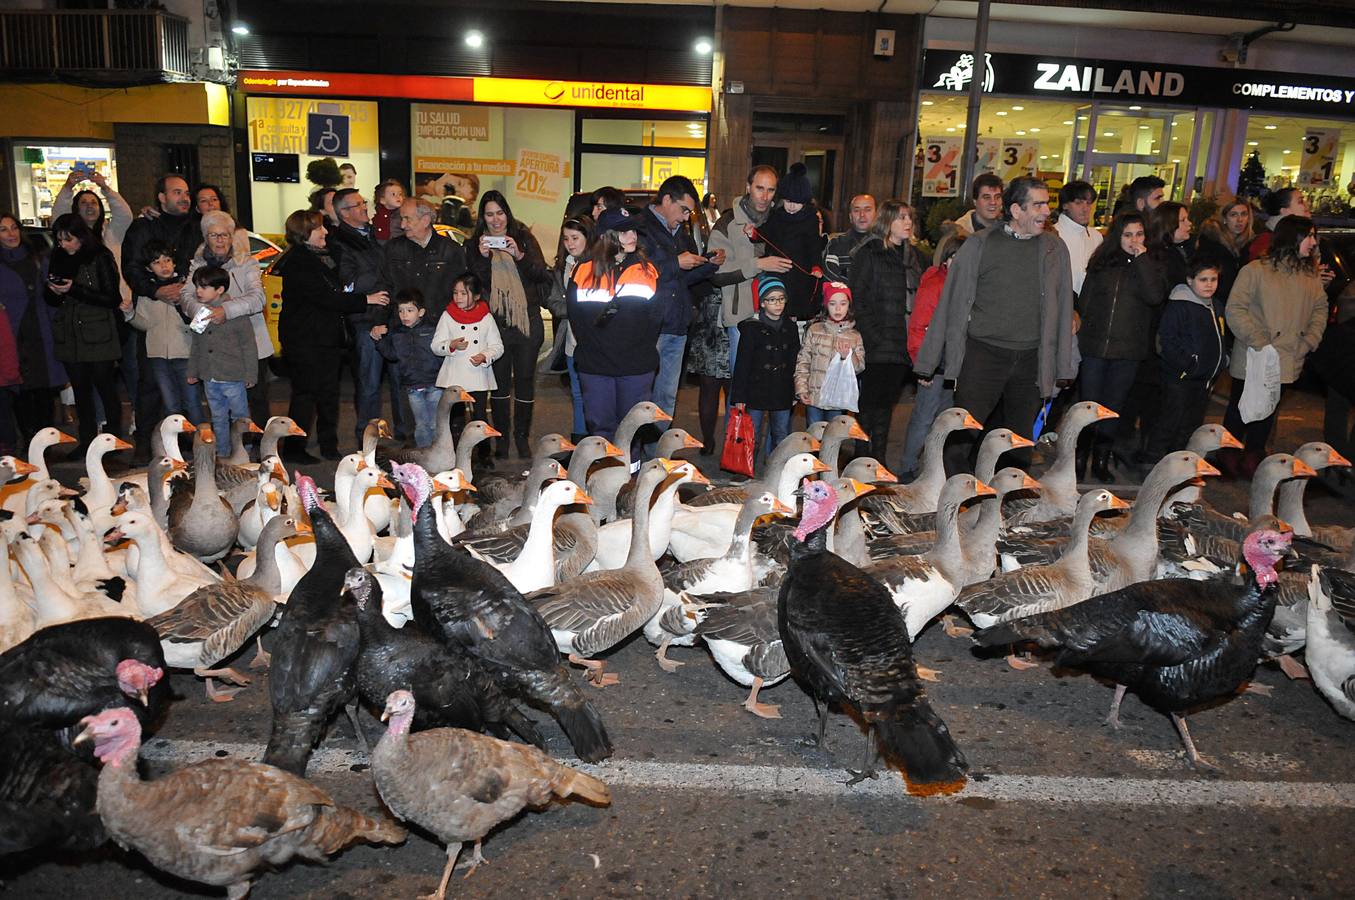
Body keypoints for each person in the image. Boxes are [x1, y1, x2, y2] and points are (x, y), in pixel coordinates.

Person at [914, 176, 1076, 474]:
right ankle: (948, 497)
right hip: (982, 356)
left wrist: (1063, 366)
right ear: (1016, 210)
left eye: (1047, 204)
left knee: (1019, 442)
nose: (1046, 211)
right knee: (962, 436)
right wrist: (929, 360)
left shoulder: (1055, 249)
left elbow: (1064, 307)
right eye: (1038, 204)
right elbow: (951, 301)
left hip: (1031, 359)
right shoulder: (979, 245)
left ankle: (1007, 504)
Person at [274, 209, 389, 462]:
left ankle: (329, 444)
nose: (325, 232)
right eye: (319, 228)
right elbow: (325, 298)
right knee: (305, 394)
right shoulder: (298, 262)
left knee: (328, 393)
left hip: (326, 339)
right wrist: (365, 299)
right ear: (304, 233)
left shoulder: (324, 256)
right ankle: (294, 449)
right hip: (305, 340)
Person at [1221, 215, 1328, 477]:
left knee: (1269, 411)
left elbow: (1320, 310)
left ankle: (1253, 456)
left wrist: (1308, 342)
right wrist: (1259, 340)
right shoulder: (1256, 271)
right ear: (1293, 238)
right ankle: (1228, 455)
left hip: (1288, 356)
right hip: (1253, 356)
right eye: (1309, 236)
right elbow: (1235, 309)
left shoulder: (1309, 277)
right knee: (1241, 407)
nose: (1313, 242)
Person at [1074, 213, 1162, 482]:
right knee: (1089, 405)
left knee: (1113, 407)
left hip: (1128, 352)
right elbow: (1085, 303)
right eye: (1128, 235)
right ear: (1117, 236)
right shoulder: (1102, 263)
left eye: (1139, 234)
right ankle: (1079, 457)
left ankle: (1101, 459)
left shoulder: (1149, 265)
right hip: (1094, 348)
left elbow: (1155, 296)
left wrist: (1142, 261)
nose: (1134, 240)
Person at [636, 175, 720, 447]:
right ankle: (637, 457)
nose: (686, 217)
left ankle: (658, 457)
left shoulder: (680, 233)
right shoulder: (640, 228)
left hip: (677, 326)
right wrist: (675, 262)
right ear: (666, 200)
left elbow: (683, 278)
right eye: (683, 209)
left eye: (689, 212)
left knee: (667, 398)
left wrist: (708, 264)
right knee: (643, 399)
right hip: (650, 327)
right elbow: (640, 272)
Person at [468, 190, 552, 458]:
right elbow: (474, 285)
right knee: (500, 384)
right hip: (497, 323)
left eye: (500, 213)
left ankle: (521, 437)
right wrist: (481, 259)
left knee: (526, 380)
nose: (495, 220)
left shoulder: (523, 236)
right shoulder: (475, 244)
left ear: (508, 213)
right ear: (483, 217)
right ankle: (502, 439)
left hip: (527, 320)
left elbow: (541, 273)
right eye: (489, 214)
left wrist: (519, 254)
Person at [566, 208, 661, 443]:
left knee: (633, 431)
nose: (633, 236)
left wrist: (638, 353)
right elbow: (576, 318)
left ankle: (633, 477)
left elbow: (656, 318)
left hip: (635, 367)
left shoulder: (646, 270)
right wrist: (593, 349)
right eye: (624, 231)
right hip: (596, 367)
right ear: (608, 235)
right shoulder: (583, 270)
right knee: (601, 432)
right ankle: (604, 477)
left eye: (633, 230)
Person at [121, 173, 197, 464]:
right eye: (177, 192)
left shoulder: (195, 225)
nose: (184, 197)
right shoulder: (143, 227)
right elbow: (132, 266)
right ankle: (144, 442)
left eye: (186, 191)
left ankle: (189, 442)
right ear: (161, 198)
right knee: (150, 385)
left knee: (189, 384)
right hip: (153, 315)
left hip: (185, 315)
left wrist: (189, 292)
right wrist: (157, 290)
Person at [179, 211, 271, 431]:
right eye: (213, 235)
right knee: (220, 409)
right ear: (205, 238)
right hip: (215, 348)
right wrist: (207, 312)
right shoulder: (197, 265)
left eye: (224, 235)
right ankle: (225, 450)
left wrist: (225, 310)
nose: (220, 240)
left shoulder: (246, 263)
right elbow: (186, 297)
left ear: (232, 237)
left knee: (256, 402)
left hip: (250, 344)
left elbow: (258, 298)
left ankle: (260, 449)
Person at [849, 199, 924, 463]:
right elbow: (859, 299)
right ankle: (860, 460)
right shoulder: (869, 253)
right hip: (877, 344)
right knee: (868, 406)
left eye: (909, 218)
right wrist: (874, 337)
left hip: (902, 343)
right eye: (901, 217)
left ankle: (878, 461)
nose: (907, 223)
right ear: (887, 221)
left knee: (885, 407)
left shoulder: (913, 257)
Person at [45, 214, 125, 454]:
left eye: (68, 239)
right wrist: (55, 291)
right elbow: (49, 299)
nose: (64, 245)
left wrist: (75, 290)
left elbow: (112, 298)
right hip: (69, 335)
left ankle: (113, 441)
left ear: (80, 236)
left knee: (105, 388)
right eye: (59, 240)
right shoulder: (57, 257)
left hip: (98, 332)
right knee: (80, 392)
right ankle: (87, 441)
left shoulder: (99, 256)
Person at [327, 187, 400, 444]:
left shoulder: (370, 234)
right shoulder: (339, 241)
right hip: (364, 320)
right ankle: (367, 438)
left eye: (363, 202)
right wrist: (383, 277)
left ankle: (399, 434)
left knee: (398, 379)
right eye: (359, 204)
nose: (365, 207)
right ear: (345, 213)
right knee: (369, 384)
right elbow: (348, 283)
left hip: (387, 315)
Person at [708, 165, 794, 371]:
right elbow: (716, 274)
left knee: (774, 381)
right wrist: (758, 264)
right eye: (759, 188)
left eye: (771, 190)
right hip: (742, 316)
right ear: (748, 187)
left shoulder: (782, 220)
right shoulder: (728, 223)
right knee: (741, 384)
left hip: (778, 314)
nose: (765, 196)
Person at [898, 231, 966, 480]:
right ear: (947, 258)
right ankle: (907, 467)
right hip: (934, 362)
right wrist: (921, 364)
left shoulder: (966, 286)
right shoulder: (935, 283)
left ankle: (935, 468)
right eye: (955, 257)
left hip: (954, 365)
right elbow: (918, 325)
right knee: (924, 417)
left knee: (946, 418)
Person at [1145, 259, 1226, 462]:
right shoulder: (1179, 306)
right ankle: (1152, 460)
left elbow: (1220, 336)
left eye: (1213, 279)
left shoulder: (1215, 306)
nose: (1209, 284)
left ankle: (1178, 460)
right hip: (1180, 377)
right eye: (1203, 279)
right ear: (1190, 280)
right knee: (1170, 420)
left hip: (1204, 378)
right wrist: (1188, 364)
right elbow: (1167, 340)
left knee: (1190, 424)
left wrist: (1223, 359)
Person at [0, 212, 64, 441]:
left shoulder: (37, 258)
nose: (10, 234)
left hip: (40, 329)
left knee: (45, 388)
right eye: (3, 229)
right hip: (12, 334)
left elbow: (52, 293)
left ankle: (46, 440)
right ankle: (29, 439)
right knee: (20, 389)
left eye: (13, 228)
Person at [128, 239, 202, 423]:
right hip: (158, 356)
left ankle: (203, 443)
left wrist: (182, 307)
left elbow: (200, 321)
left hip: (185, 353)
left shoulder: (187, 287)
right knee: (170, 405)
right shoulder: (149, 293)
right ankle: (176, 443)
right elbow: (145, 324)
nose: (163, 266)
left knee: (192, 402)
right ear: (148, 268)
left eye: (167, 260)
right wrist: (129, 314)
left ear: (174, 262)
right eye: (157, 262)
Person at [730, 278, 800, 470]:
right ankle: (745, 469)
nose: (777, 304)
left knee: (781, 432)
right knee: (751, 433)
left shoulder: (790, 327)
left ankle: (777, 469)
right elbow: (742, 364)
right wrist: (739, 396)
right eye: (771, 300)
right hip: (756, 390)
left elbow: (795, 360)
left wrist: (796, 390)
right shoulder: (751, 329)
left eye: (781, 299)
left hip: (782, 389)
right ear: (762, 303)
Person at [186, 266, 255, 456]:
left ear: (220, 290)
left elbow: (248, 345)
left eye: (203, 287)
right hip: (210, 376)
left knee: (240, 417)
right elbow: (197, 345)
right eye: (197, 287)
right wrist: (193, 371)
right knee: (217, 417)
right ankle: (223, 452)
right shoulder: (201, 314)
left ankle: (243, 451)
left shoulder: (235, 312)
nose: (198, 291)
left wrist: (250, 374)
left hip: (233, 375)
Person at [432, 273, 502, 456]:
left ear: (477, 295)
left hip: (478, 375)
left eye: (464, 293)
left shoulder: (486, 318)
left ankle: (484, 454)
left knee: (479, 417)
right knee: (455, 418)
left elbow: (497, 346)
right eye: (455, 293)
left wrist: (485, 356)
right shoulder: (448, 316)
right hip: (455, 376)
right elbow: (435, 345)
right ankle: (455, 452)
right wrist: (451, 345)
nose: (458, 297)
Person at [756, 164, 824, 323]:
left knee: (795, 308)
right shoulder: (777, 216)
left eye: (797, 202)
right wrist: (753, 233)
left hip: (801, 272)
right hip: (778, 270)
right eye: (788, 201)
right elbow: (765, 232)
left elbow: (814, 244)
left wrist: (816, 265)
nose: (792, 206)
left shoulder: (811, 218)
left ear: (805, 202)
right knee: (775, 307)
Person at [377, 288, 444, 449]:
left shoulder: (433, 330)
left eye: (409, 310)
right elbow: (392, 355)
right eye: (400, 311)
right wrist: (378, 340)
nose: (404, 315)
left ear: (421, 312)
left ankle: (439, 453)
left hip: (435, 384)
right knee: (420, 424)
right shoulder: (397, 333)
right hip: (413, 386)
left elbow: (442, 352)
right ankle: (423, 455)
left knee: (435, 424)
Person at [546, 216, 593, 441]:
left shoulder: (598, 265)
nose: (570, 244)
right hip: (571, 341)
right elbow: (554, 302)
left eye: (575, 238)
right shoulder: (562, 267)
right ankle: (579, 437)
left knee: (593, 393)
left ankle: (597, 437)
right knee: (577, 393)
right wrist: (573, 308)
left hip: (594, 342)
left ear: (588, 237)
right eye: (566, 239)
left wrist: (575, 307)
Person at [51, 169, 133, 296]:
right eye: (83, 203)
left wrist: (106, 188)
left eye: (94, 202)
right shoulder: (72, 237)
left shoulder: (112, 232)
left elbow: (125, 215)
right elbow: (59, 219)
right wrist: (67, 188)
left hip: (117, 297)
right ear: (76, 209)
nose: (90, 206)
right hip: (83, 297)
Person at [795, 281, 865, 427]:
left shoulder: (855, 336)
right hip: (814, 397)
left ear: (849, 306)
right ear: (826, 305)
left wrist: (848, 356)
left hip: (837, 399)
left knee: (833, 437)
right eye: (833, 304)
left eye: (843, 304)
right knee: (814, 437)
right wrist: (801, 388)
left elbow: (859, 368)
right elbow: (803, 361)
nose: (838, 308)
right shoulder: (814, 330)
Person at [1195, 199, 1255, 305]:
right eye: (1233, 215)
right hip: (1214, 302)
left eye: (1244, 214)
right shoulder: (1211, 243)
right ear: (1224, 219)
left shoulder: (1249, 244)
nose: (1240, 219)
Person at [1054, 180, 1102, 297]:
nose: (1085, 209)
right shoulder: (1053, 235)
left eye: (1089, 203)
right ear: (1065, 205)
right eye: (1078, 203)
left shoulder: (1096, 236)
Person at [822, 194, 877, 283]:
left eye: (867, 210)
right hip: (844, 295)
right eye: (856, 210)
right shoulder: (836, 243)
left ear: (876, 215)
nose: (862, 214)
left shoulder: (885, 245)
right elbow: (830, 277)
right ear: (850, 217)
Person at [1248, 187, 1309, 262]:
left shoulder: (1295, 236)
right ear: (1284, 211)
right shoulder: (1266, 240)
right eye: (1300, 201)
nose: (1307, 204)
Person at [371, 179, 407, 244]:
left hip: (398, 246)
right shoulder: (374, 213)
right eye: (393, 194)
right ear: (382, 200)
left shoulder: (404, 214)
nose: (398, 197)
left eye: (400, 194)